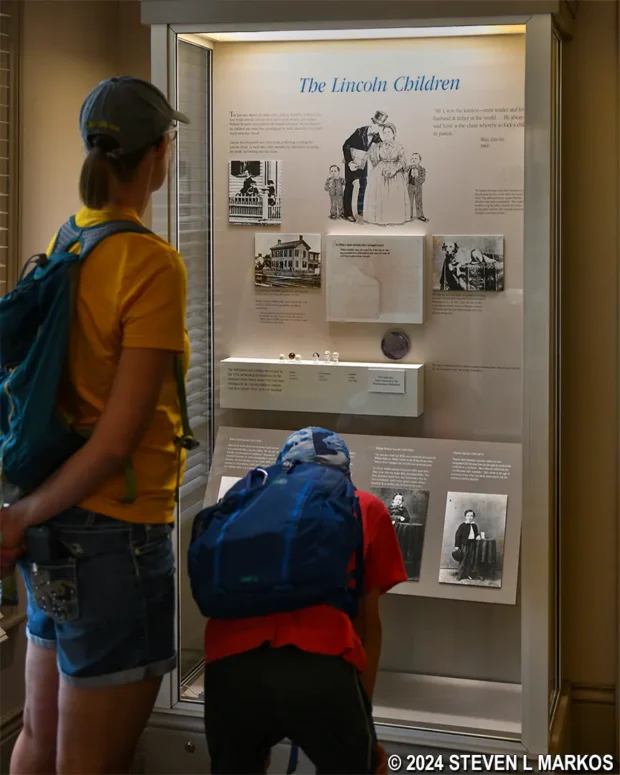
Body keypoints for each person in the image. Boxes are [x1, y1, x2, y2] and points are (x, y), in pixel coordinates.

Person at [0, 76, 190, 775]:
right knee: (91, 763)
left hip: (56, 530)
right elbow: (116, 442)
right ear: (159, 154)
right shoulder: (151, 263)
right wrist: (21, 517)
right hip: (116, 538)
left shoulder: (71, 237)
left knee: (39, 737)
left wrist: (29, 514)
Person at [202, 427, 407, 775]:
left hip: (231, 663)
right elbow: (366, 623)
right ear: (344, 474)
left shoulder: (247, 503)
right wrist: (363, 721)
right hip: (320, 662)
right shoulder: (364, 507)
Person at [342, 110, 386, 222]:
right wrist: (350, 162)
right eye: (377, 124)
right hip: (352, 162)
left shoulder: (377, 136)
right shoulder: (359, 131)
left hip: (363, 164)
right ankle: (347, 213)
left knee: (363, 186)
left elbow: (381, 150)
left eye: (380, 126)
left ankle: (361, 210)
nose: (378, 127)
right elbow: (346, 145)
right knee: (349, 186)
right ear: (372, 122)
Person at [363, 123, 410, 226]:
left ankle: (393, 218)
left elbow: (403, 161)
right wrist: (372, 152)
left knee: (393, 194)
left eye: (389, 132)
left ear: (394, 133)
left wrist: (394, 170)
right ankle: (380, 219)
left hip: (395, 173)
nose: (386, 134)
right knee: (379, 194)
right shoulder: (379, 145)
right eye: (384, 133)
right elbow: (375, 161)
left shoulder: (399, 146)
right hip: (379, 172)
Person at [454, 508, 481, 581]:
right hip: (464, 545)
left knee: (470, 560)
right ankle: (460, 575)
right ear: (465, 516)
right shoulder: (462, 525)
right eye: (468, 515)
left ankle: (467, 574)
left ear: (473, 517)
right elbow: (457, 535)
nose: (470, 517)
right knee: (463, 560)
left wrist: (478, 536)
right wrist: (457, 545)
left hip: (472, 544)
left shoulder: (474, 525)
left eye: (471, 516)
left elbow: (476, 533)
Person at [407, 152, 427, 222]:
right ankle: (409, 215)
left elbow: (422, 179)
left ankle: (420, 215)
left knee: (419, 201)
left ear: (419, 160)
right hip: (410, 186)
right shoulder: (408, 168)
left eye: (416, 158)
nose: (413, 160)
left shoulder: (422, 169)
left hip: (418, 187)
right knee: (409, 201)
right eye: (412, 158)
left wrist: (417, 179)